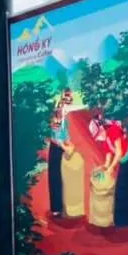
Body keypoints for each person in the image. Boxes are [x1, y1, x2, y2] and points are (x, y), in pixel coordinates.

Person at [89, 109, 128, 230]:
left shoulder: (113, 130)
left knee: (127, 190)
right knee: (121, 191)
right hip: (125, 162)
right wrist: (105, 166)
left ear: (102, 128)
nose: (98, 138)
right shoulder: (106, 138)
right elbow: (109, 155)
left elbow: (118, 153)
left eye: (98, 135)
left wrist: (111, 168)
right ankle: (122, 222)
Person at [47, 89, 75, 218]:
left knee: (65, 176)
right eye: (67, 100)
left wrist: (70, 143)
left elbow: (65, 133)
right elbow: (55, 137)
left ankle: (64, 205)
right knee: (55, 177)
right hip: (56, 149)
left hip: (62, 147)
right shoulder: (57, 114)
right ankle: (56, 208)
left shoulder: (64, 116)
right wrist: (65, 146)